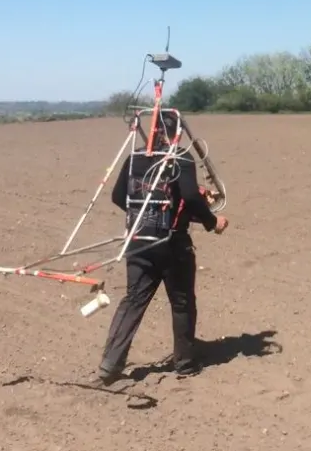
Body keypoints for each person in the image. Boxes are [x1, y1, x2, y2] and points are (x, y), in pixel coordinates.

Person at [96, 110, 228, 384]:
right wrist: (211, 221)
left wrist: (144, 220)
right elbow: (190, 197)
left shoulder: (135, 159)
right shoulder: (181, 158)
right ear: (177, 132)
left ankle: (110, 363)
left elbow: (119, 196)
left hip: (139, 242)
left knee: (133, 300)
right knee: (181, 303)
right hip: (172, 245)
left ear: (153, 131)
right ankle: (185, 363)